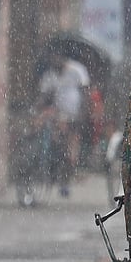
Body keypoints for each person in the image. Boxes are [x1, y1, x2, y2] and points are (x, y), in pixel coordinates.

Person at [38, 53, 91, 197]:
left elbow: (85, 92)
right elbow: (43, 95)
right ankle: (52, 168)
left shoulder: (77, 71)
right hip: (58, 116)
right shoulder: (50, 75)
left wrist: (83, 114)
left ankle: (66, 179)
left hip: (74, 116)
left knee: (70, 152)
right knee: (57, 145)